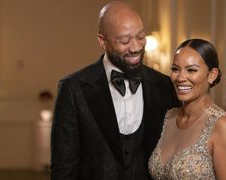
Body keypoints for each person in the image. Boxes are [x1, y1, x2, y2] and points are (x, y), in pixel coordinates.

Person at [50, 1, 180, 180]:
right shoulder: (73, 88)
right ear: (102, 42)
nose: (136, 47)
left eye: (141, 37)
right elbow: (63, 168)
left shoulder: (164, 86)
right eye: (124, 41)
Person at [149, 38, 226, 179]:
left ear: (212, 75)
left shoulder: (222, 125)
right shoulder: (168, 117)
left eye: (191, 70)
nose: (180, 77)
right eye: (175, 69)